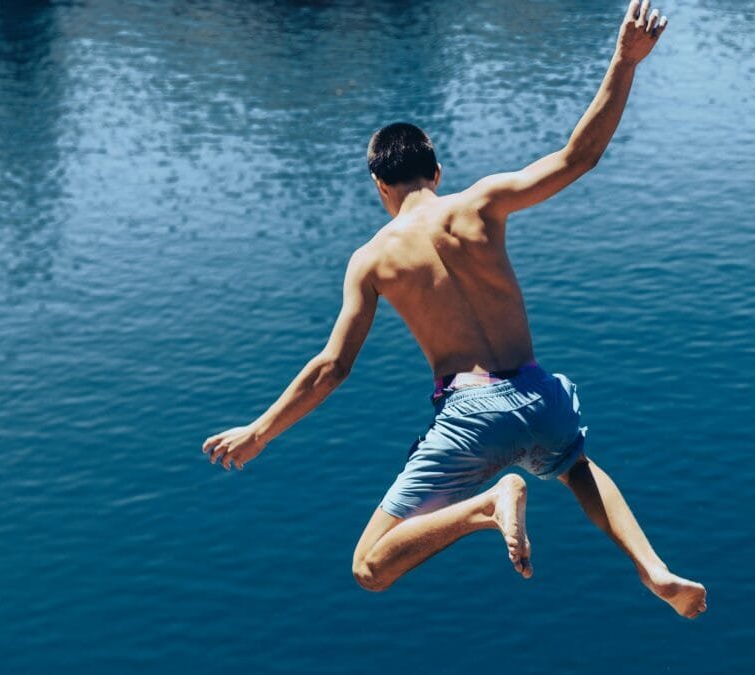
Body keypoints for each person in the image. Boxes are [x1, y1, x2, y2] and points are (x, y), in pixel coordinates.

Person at [202, 0, 706, 619]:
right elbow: (579, 157)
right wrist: (624, 61)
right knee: (574, 465)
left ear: (379, 185)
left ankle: (484, 507)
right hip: (539, 396)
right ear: (436, 172)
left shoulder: (372, 259)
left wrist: (260, 431)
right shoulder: (480, 204)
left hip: (471, 413)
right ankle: (653, 569)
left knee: (370, 566)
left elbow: (332, 368)